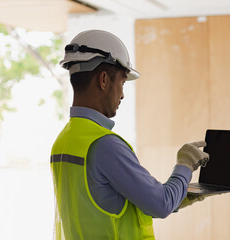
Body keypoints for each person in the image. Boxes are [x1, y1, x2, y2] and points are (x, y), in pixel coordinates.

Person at [50, 30, 210, 240]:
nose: (123, 94)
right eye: (122, 83)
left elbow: (105, 204)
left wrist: (179, 194)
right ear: (104, 80)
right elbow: (161, 205)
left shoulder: (64, 141)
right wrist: (185, 165)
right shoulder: (105, 145)